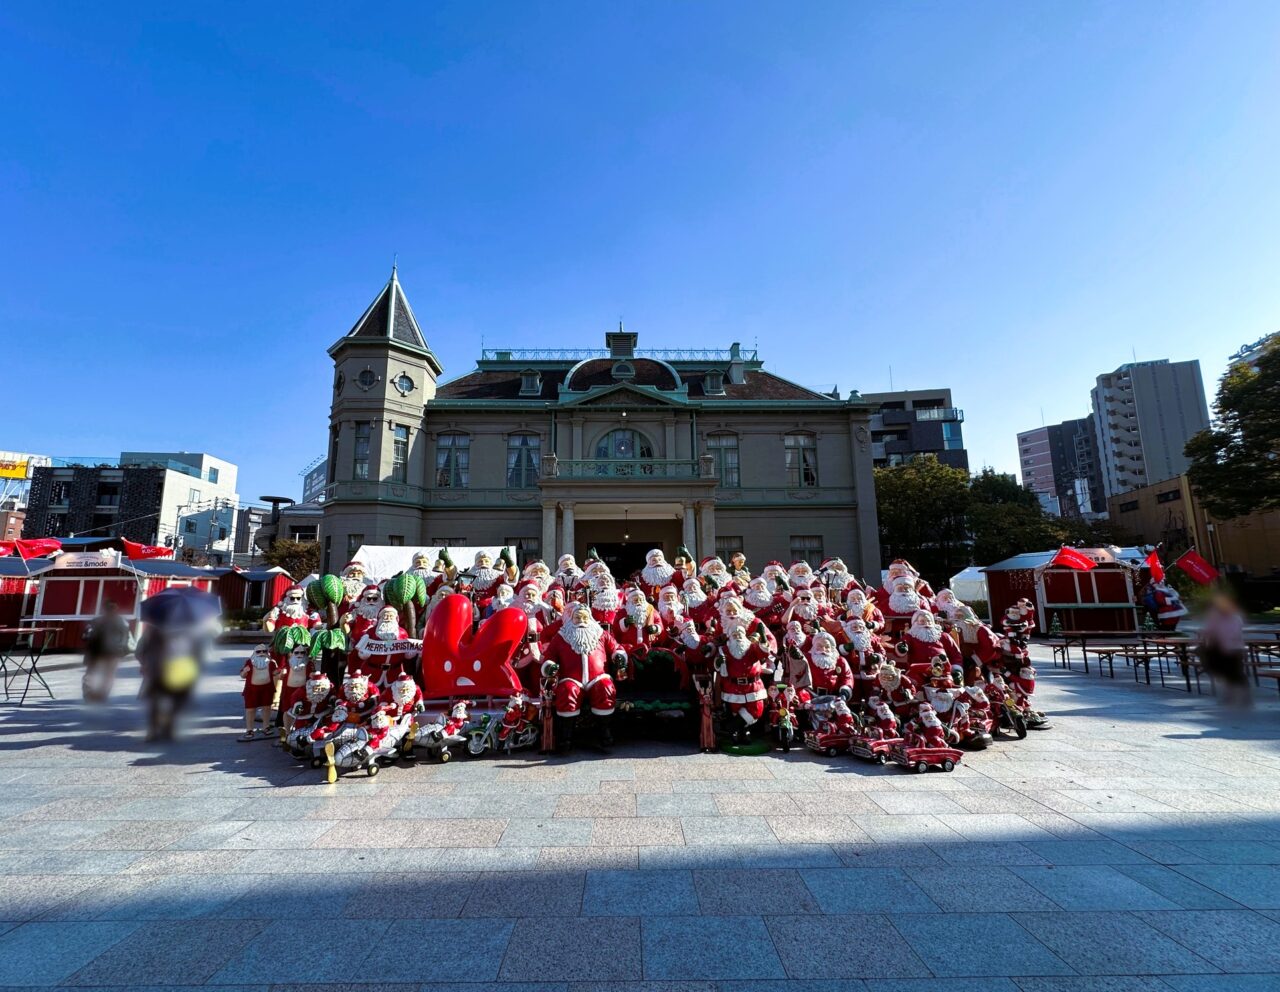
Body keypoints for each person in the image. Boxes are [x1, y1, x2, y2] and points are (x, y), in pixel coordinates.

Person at [1199, 593, 1250, 707]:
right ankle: (1232, 695)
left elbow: (1211, 631)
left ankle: (1241, 696)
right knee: (1230, 673)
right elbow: (1209, 631)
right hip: (1228, 649)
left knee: (1235, 672)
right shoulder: (1219, 617)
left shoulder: (1232, 617)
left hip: (1232, 649)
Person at [81, 600, 134, 702]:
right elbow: (126, 638)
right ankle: (102, 695)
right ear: (116, 609)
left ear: (104, 609)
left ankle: (88, 694)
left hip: (95, 652)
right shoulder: (122, 622)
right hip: (113, 653)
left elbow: (85, 636)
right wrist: (121, 649)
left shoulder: (95, 621)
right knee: (109, 674)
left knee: (90, 673)